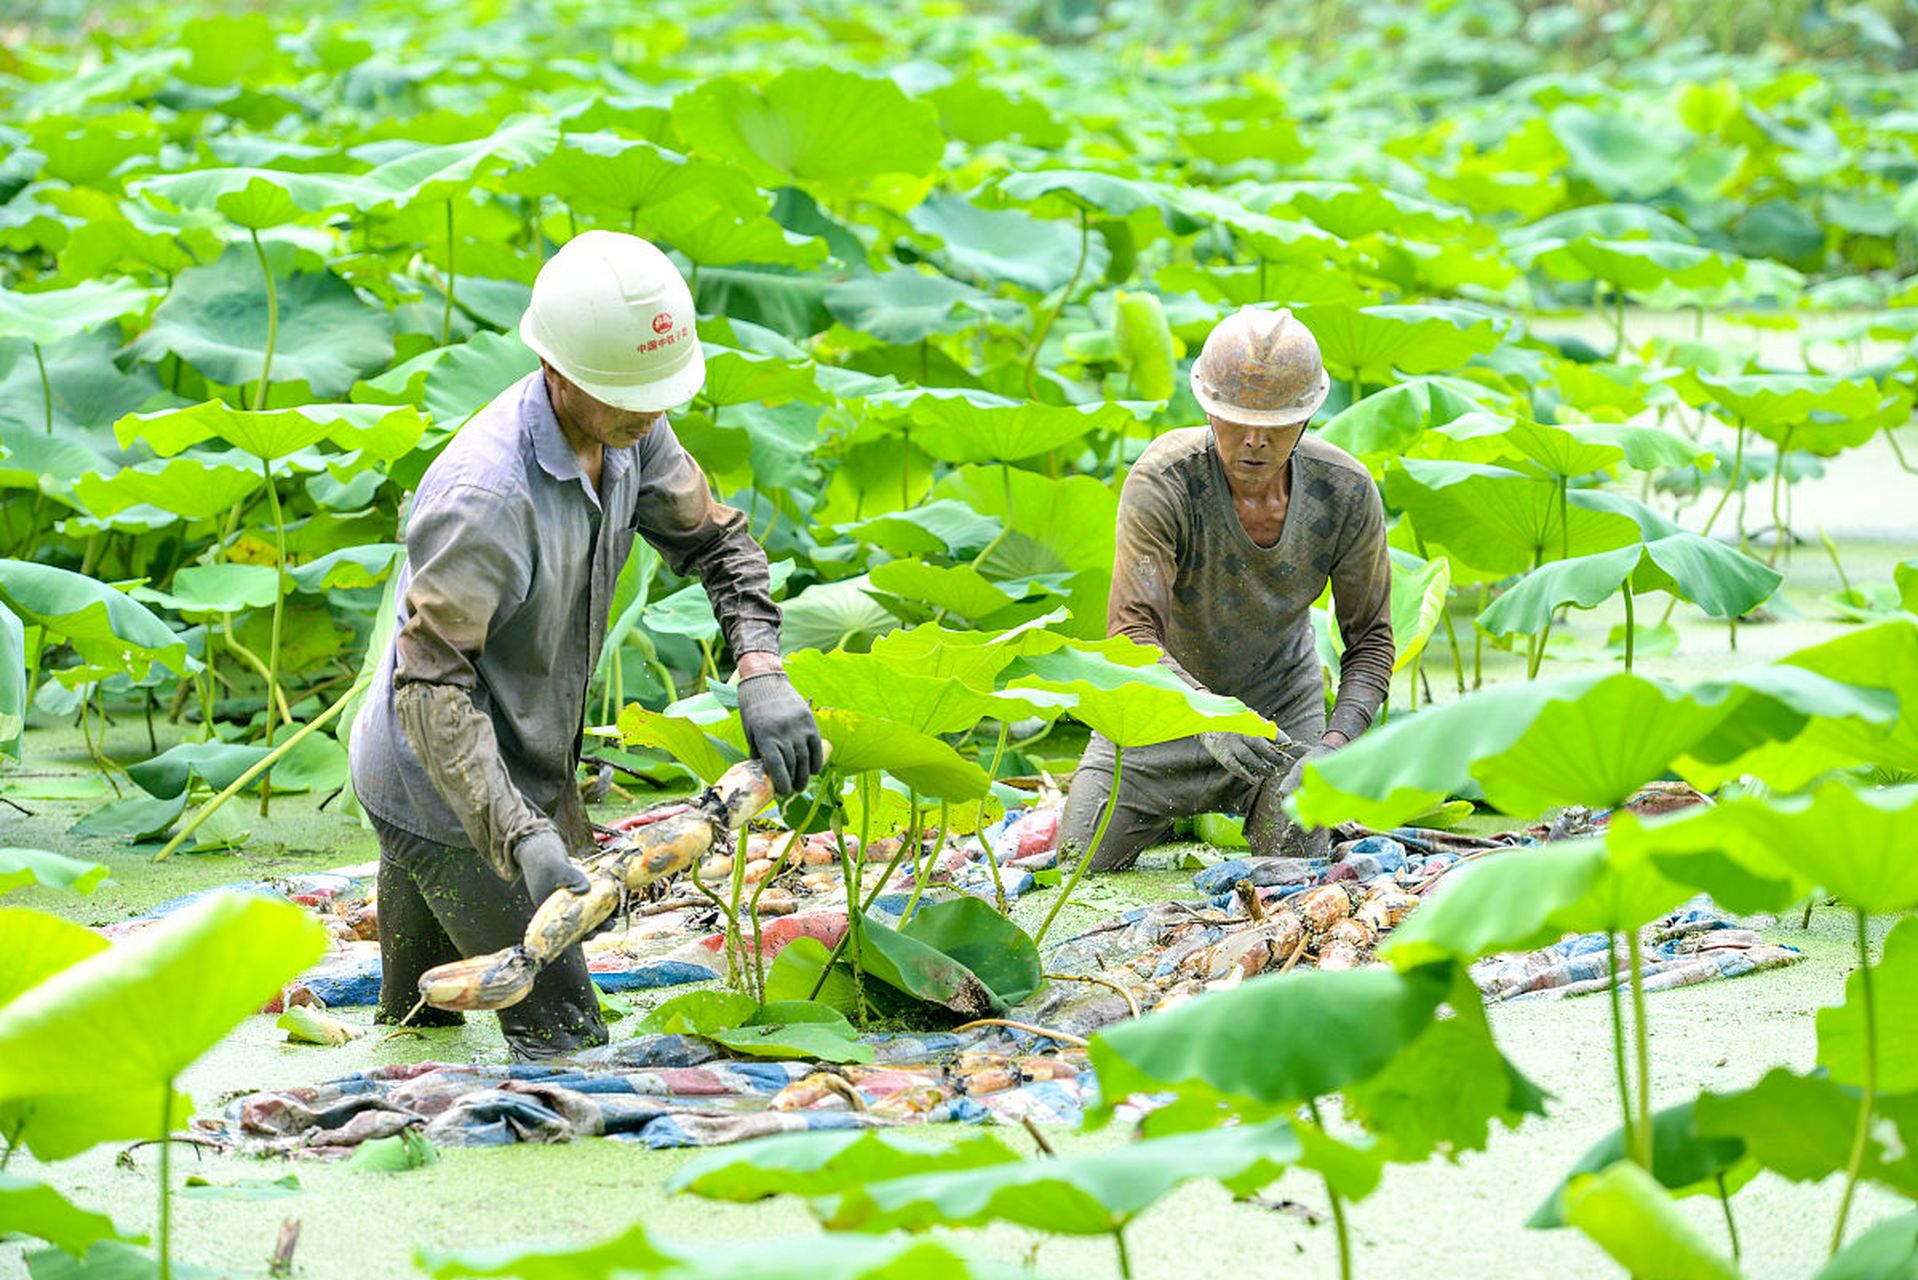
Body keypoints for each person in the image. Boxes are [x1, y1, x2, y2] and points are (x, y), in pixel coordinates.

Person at [348, 231, 822, 1059]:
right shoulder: (484, 498)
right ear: (559, 372)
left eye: (658, 395)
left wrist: (761, 670)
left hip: (487, 767)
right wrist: (521, 837)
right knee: (569, 1048)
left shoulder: (633, 427)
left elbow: (718, 544)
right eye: (628, 396)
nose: (651, 413)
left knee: (413, 1042)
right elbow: (429, 692)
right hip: (441, 781)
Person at [1058, 305, 1394, 871]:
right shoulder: (1163, 481)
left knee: (1295, 884)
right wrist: (1208, 715)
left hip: (1280, 720)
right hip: (1158, 712)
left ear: (1308, 417)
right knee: (1075, 867)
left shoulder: (1346, 493)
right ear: (1208, 410)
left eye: (1276, 425)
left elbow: (1371, 644)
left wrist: (1332, 749)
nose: (1254, 442)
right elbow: (1129, 635)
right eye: (1236, 421)